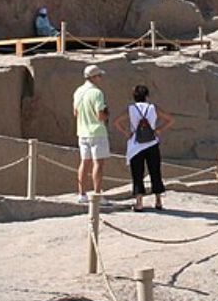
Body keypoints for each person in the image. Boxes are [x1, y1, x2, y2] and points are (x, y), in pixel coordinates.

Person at [116, 84, 174, 211]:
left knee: (137, 174)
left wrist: (127, 133)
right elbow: (170, 119)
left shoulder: (131, 109)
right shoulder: (153, 108)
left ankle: (139, 202)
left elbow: (117, 121)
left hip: (136, 145)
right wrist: (159, 130)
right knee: (155, 172)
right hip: (152, 143)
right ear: (147, 96)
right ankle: (158, 200)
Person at [72, 64, 109, 202]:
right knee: (98, 164)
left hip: (82, 131)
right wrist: (107, 115)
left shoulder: (78, 91)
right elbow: (100, 115)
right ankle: (97, 195)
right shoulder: (97, 93)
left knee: (84, 163)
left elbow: (75, 112)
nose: (101, 78)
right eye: (99, 76)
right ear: (94, 77)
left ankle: (82, 194)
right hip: (97, 132)